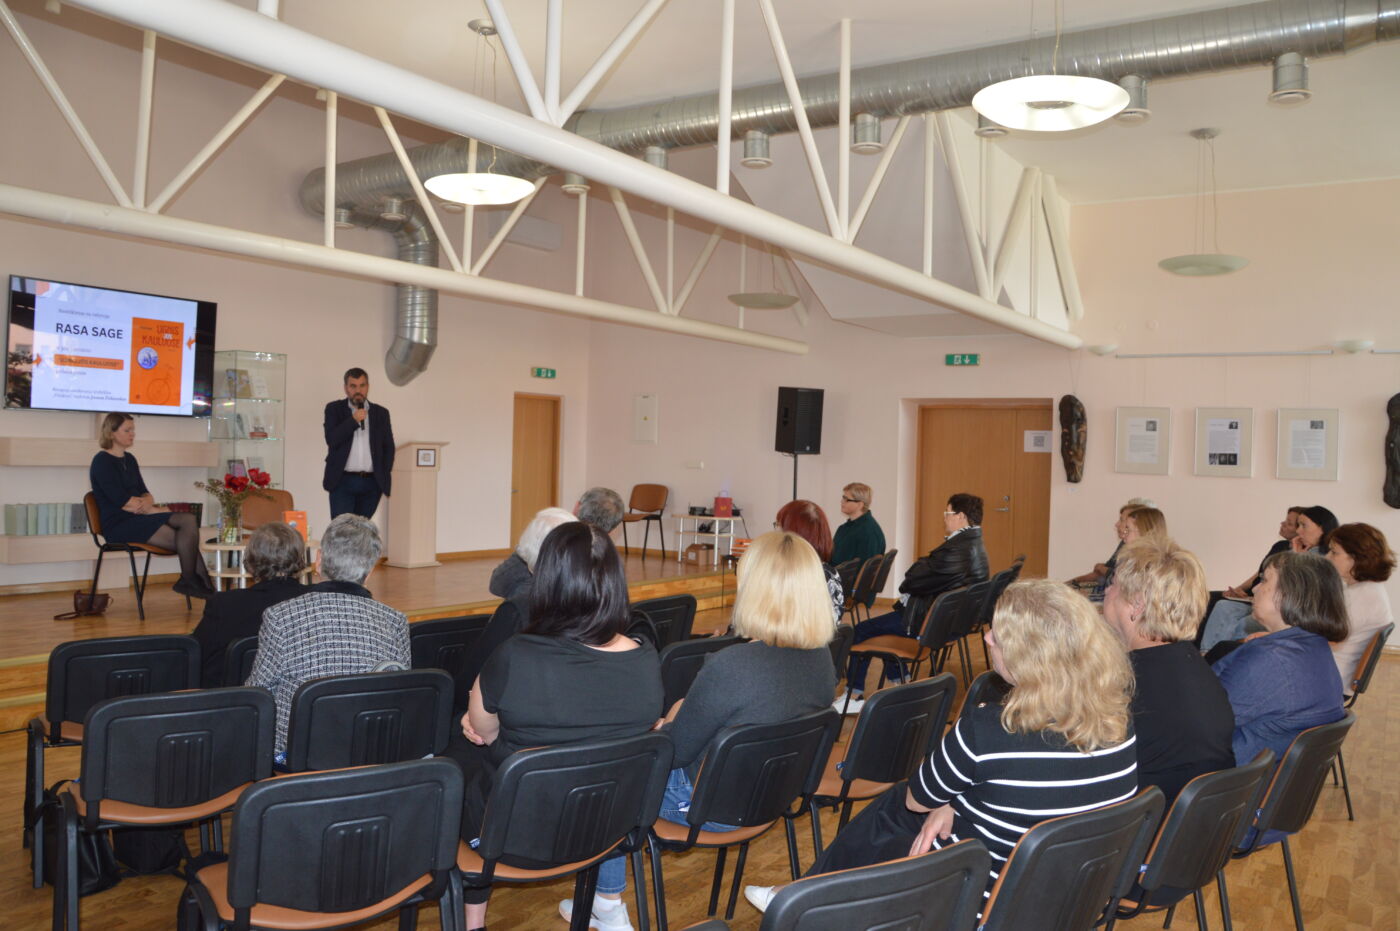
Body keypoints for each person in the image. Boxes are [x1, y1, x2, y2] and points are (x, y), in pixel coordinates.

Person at [745, 579, 1137, 912]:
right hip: (1068, 900)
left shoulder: (988, 730)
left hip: (978, 902)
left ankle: (801, 900)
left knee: (896, 808)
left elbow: (917, 800)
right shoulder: (1119, 722)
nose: (987, 637)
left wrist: (947, 795)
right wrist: (952, 803)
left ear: (1028, 655)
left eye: (999, 634)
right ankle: (802, 897)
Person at [569, 530, 835, 931]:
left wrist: (666, 725)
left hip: (706, 807)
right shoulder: (822, 660)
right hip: (772, 798)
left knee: (611, 776)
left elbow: (674, 754)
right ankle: (601, 902)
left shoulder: (732, 665)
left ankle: (606, 905)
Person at [456, 522, 663, 931]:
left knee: (461, 771)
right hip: (606, 831)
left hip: (511, 839)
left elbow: (485, 734)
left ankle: (473, 921)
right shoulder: (646, 659)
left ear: (547, 580)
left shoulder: (514, 655)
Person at [244, 514, 410, 761]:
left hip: (297, 756)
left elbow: (257, 692)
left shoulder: (281, 616)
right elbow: (401, 695)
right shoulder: (395, 621)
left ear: (319, 560)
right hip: (368, 754)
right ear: (370, 571)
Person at [1101, 538, 1235, 804]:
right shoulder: (1193, 664)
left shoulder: (1129, 685)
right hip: (1193, 819)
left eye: (1113, 584)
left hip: (1143, 820)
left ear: (1136, 604)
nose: (1106, 591)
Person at [835, 493, 987, 714]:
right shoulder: (972, 543)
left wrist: (918, 569)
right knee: (883, 628)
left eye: (947, 513)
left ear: (961, 516)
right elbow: (922, 574)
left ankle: (854, 695)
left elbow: (911, 581)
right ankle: (902, 682)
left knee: (859, 631)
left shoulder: (956, 550)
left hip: (926, 622)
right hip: (942, 618)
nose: (944, 518)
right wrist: (921, 569)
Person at [1212, 552, 1347, 769]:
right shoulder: (1315, 647)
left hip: (1226, 778)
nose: (1255, 589)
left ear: (1291, 595)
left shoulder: (1271, 659)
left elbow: (1202, 722)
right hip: (1264, 775)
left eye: (1265, 580)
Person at [89, 412, 214, 598]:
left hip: (138, 519)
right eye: (127, 430)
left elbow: (146, 494)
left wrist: (146, 503)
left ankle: (193, 582)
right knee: (185, 539)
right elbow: (122, 501)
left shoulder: (130, 459)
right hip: (117, 525)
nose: (132, 434)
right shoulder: (102, 461)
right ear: (112, 433)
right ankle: (200, 585)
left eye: (133, 430)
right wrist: (145, 505)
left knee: (188, 521)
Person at [461, 507, 578, 696]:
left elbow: (478, 674)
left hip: (526, 701)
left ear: (526, 552)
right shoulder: (599, 601)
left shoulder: (518, 609)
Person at [1200, 504, 1339, 652]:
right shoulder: (1294, 549)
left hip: (1282, 608)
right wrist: (1243, 590)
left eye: (1304, 525)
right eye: (1298, 525)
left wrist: (1296, 554)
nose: (1298, 531)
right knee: (1221, 605)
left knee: (1239, 622)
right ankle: (1207, 653)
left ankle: (1215, 655)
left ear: (1322, 528)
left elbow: (1291, 587)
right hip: (1261, 598)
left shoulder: (1320, 558)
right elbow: (1261, 575)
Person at [190, 521, 306, 686]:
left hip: (234, 695)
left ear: (251, 558)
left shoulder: (225, 604)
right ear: (299, 558)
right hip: (293, 692)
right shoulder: (313, 601)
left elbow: (196, 653)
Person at [486, 488, 624, 605]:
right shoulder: (613, 565)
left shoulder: (547, 541)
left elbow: (498, 584)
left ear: (576, 508)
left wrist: (525, 548)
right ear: (613, 529)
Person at [1324, 523, 1395, 692]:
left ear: (1356, 558)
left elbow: (1330, 641)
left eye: (1334, 552)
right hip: (1331, 674)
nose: (1327, 557)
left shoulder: (1365, 595)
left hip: (1329, 682)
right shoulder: (1363, 589)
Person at [322, 366, 395, 518]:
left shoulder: (381, 413)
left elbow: (388, 447)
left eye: (362, 385)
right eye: (353, 386)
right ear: (346, 388)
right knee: (342, 528)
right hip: (342, 481)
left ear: (368, 387)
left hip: (371, 483)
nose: (358, 390)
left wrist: (383, 472)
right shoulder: (334, 409)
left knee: (363, 529)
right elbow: (332, 439)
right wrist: (353, 420)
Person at [776, 499, 844, 624]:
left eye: (779, 525)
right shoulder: (829, 572)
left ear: (793, 534)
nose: (776, 531)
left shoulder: (792, 576)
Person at [1069, 497, 1154, 589]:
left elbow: (1118, 579)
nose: (1117, 524)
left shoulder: (1148, 553)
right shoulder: (1124, 543)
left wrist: (1103, 569)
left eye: (1122, 520)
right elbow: (1102, 573)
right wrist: (1074, 582)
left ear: (1139, 526)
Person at [829, 482, 885, 567]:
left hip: (842, 575)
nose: (842, 501)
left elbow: (865, 570)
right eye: (843, 498)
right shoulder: (845, 528)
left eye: (847, 499)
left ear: (860, 505)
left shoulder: (868, 532)